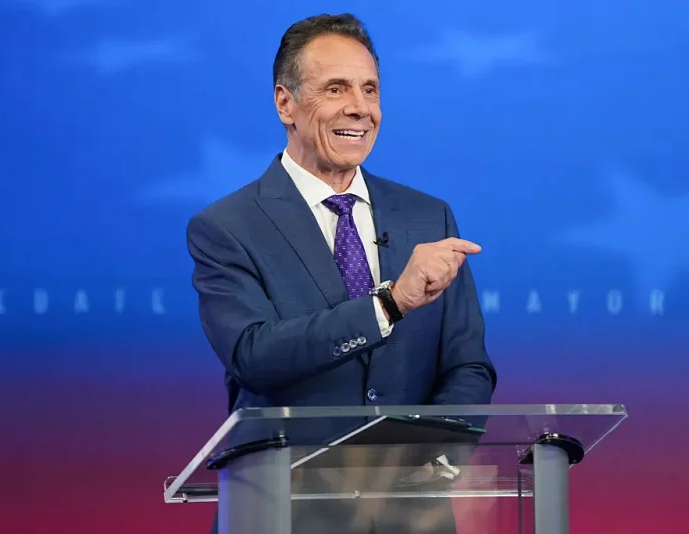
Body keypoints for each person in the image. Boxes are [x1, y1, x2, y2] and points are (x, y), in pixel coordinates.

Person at [186, 12, 497, 533]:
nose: (360, 108)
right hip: (282, 513)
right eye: (336, 88)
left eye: (370, 89)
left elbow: (468, 365)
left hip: (410, 516)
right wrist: (388, 304)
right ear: (285, 102)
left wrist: (436, 463)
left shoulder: (428, 217)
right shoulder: (227, 227)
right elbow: (254, 356)